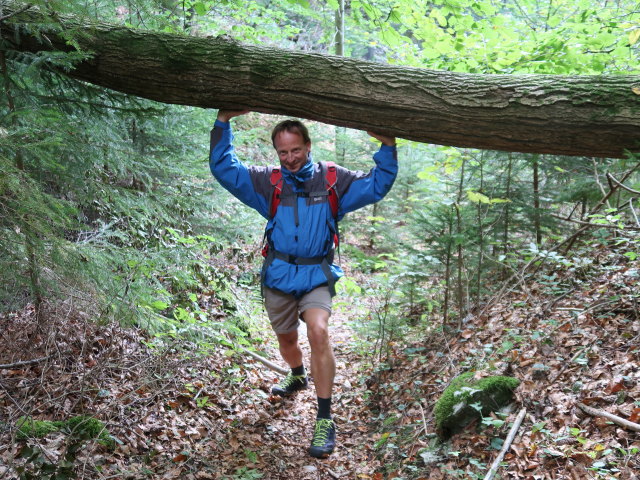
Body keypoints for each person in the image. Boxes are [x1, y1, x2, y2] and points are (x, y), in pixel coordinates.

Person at [209, 110, 397, 458]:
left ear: (308, 146)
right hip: (278, 275)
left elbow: (377, 185)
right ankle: (297, 374)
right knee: (287, 340)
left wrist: (387, 145)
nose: (290, 158)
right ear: (277, 153)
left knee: (319, 331)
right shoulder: (269, 182)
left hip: (315, 275)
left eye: (296, 150)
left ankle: (324, 417)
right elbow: (224, 169)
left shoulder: (332, 181)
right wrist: (223, 122)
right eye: (283, 152)